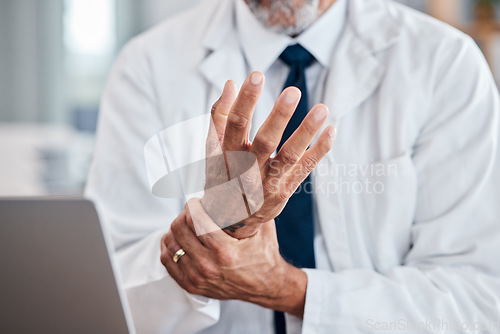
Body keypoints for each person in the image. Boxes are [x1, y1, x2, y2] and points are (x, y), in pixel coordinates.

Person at [85, 0, 500, 333]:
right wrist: (215, 235)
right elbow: (110, 290)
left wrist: (290, 290)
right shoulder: (147, 66)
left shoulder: (445, 64)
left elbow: (477, 301)